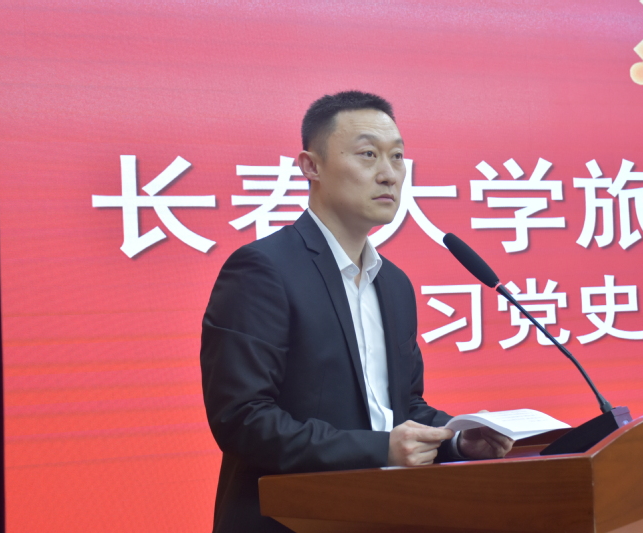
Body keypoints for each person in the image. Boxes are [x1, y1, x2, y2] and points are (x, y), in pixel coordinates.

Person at [200, 91, 513, 533]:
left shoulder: (394, 284)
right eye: (368, 155)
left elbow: (401, 408)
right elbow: (242, 420)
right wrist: (381, 449)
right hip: (289, 520)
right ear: (311, 166)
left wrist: (459, 440)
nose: (389, 174)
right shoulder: (263, 270)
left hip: (385, 514)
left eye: (397, 157)